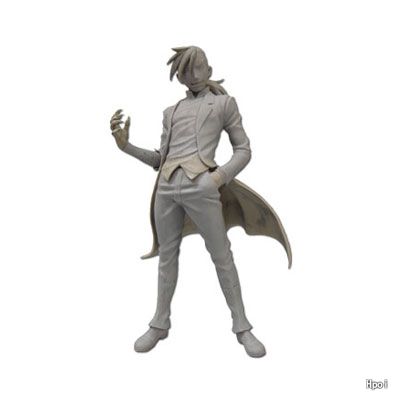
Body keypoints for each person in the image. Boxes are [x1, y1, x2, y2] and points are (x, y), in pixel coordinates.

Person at [110, 46, 291, 358]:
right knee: (167, 257)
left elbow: (244, 149)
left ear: (209, 71)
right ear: (179, 76)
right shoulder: (171, 112)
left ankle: (242, 326)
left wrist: (217, 178)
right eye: (186, 71)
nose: (193, 75)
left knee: (221, 255)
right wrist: (126, 147)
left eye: (199, 68)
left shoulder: (223, 104)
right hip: (166, 188)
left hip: (203, 186)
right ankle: (159, 323)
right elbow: (160, 159)